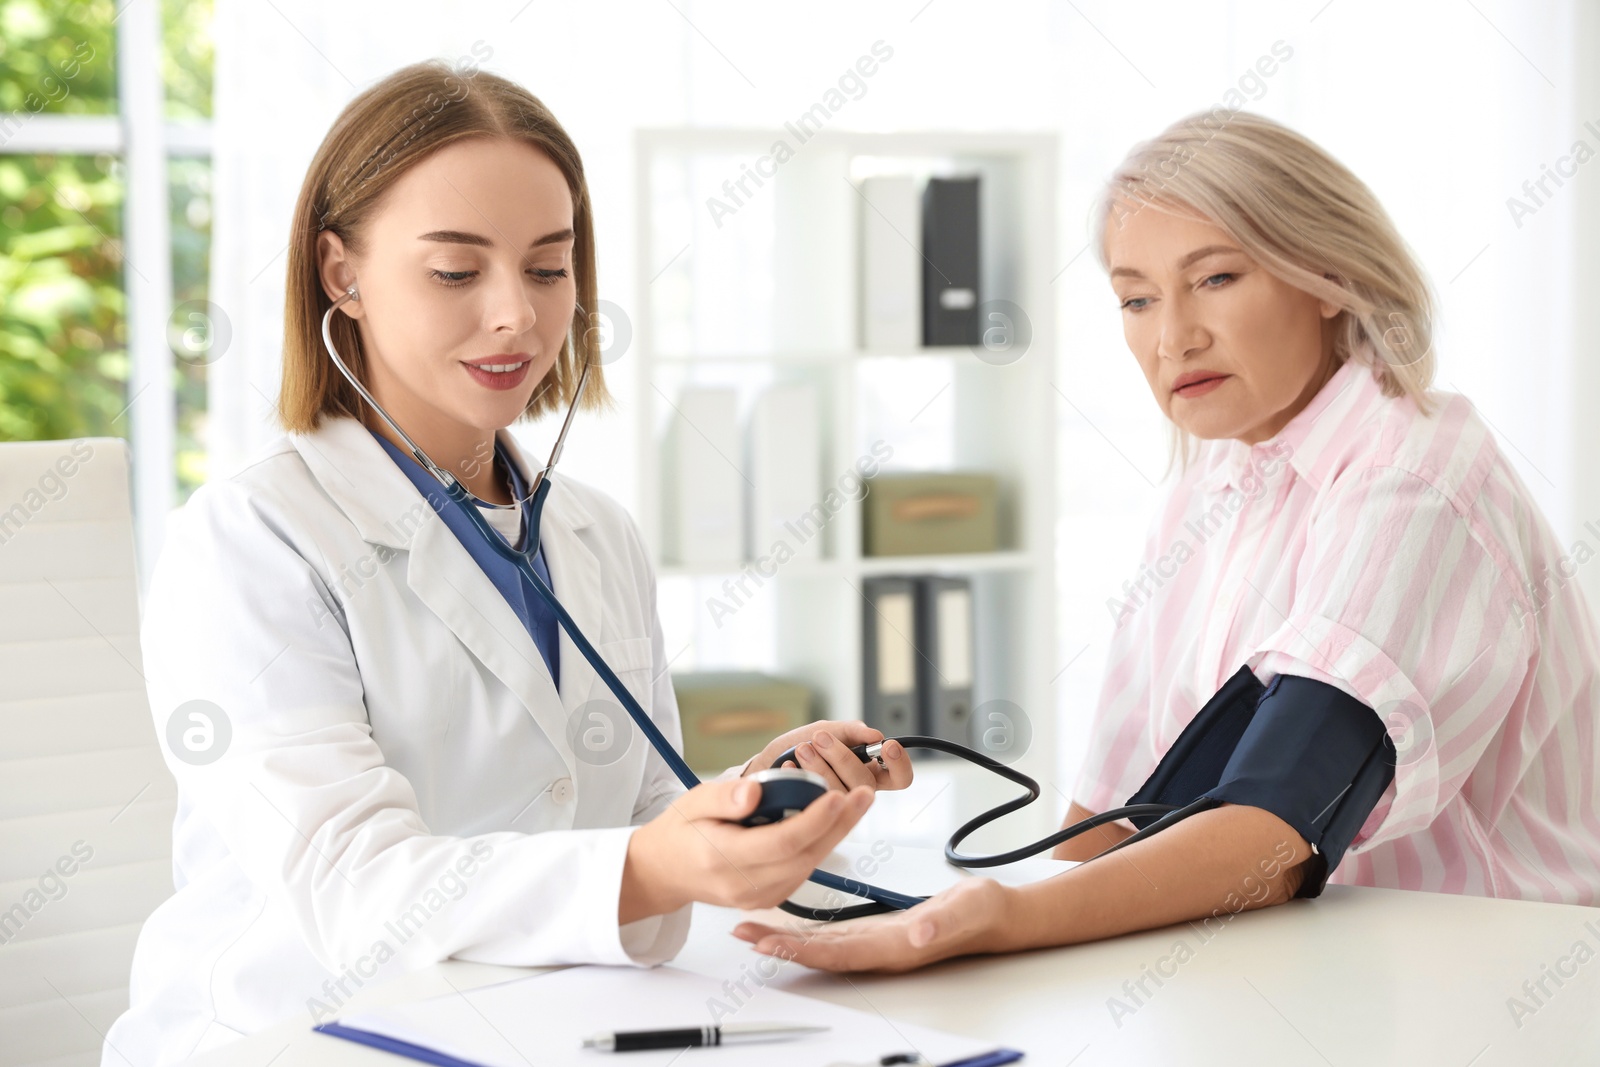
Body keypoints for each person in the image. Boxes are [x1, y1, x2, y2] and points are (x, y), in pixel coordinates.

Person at [103, 61, 913, 1064]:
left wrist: (752, 793)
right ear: (339, 272)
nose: (517, 318)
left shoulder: (594, 532)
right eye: (456, 270)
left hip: (545, 1029)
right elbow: (352, 887)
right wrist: (658, 860)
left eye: (546, 268)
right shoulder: (251, 537)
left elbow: (640, 814)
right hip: (292, 1037)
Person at [735, 110, 1600, 973]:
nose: (1171, 336)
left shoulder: (1415, 479)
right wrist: (835, 849)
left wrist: (987, 920)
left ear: (1329, 272)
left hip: (1482, 985)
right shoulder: (1207, 490)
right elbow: (1114, 825)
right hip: (1291, 975)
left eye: (1216, 278)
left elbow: (1276, 827)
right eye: (1137, 298)